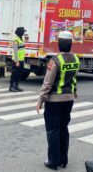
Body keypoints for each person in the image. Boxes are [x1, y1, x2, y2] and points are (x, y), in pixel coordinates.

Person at [36, 31, 79, 170]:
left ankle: (53, 161)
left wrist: (40, 101)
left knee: (53, 130)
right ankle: (63, 160)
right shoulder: (76, 59)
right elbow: (73, 79)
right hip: (69, 100)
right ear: (71, 44)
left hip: (54, 101)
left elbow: (47, 83)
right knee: (63, 128)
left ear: (59, 44)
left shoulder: (55, 60)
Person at [10, 27, 26, 92]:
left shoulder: (21, 39)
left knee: (19, 74)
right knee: (14, 74)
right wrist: (17, 61)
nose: (24, 33)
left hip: (21, 60)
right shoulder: (16, 40)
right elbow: (15, 51)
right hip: (16, 60)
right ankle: (11, 87)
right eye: (23, 32)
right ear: (20, 32)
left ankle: (16, 86)